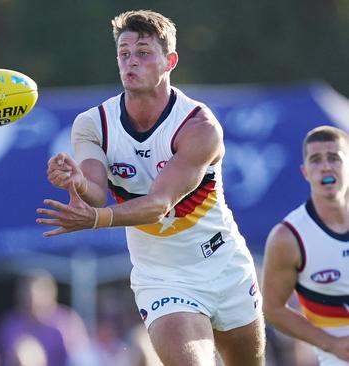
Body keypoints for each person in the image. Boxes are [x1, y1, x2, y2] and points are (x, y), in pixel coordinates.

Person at [36, 9, 265, 365]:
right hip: (163, 278)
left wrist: (96, 219)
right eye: (124, 54)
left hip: (224, 265)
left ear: (169, 61)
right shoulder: (93, 124)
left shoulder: (198, 126)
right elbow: (96, 189)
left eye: (143, 53)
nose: (131, 62)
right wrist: (78, 181)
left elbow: (159, 203)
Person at [262, 126, 349, 365]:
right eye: (316, 160)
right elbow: (273, 309)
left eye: (334, 158)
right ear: (305, 172)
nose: (326, 167)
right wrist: (331, 344)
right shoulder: (288, 237)